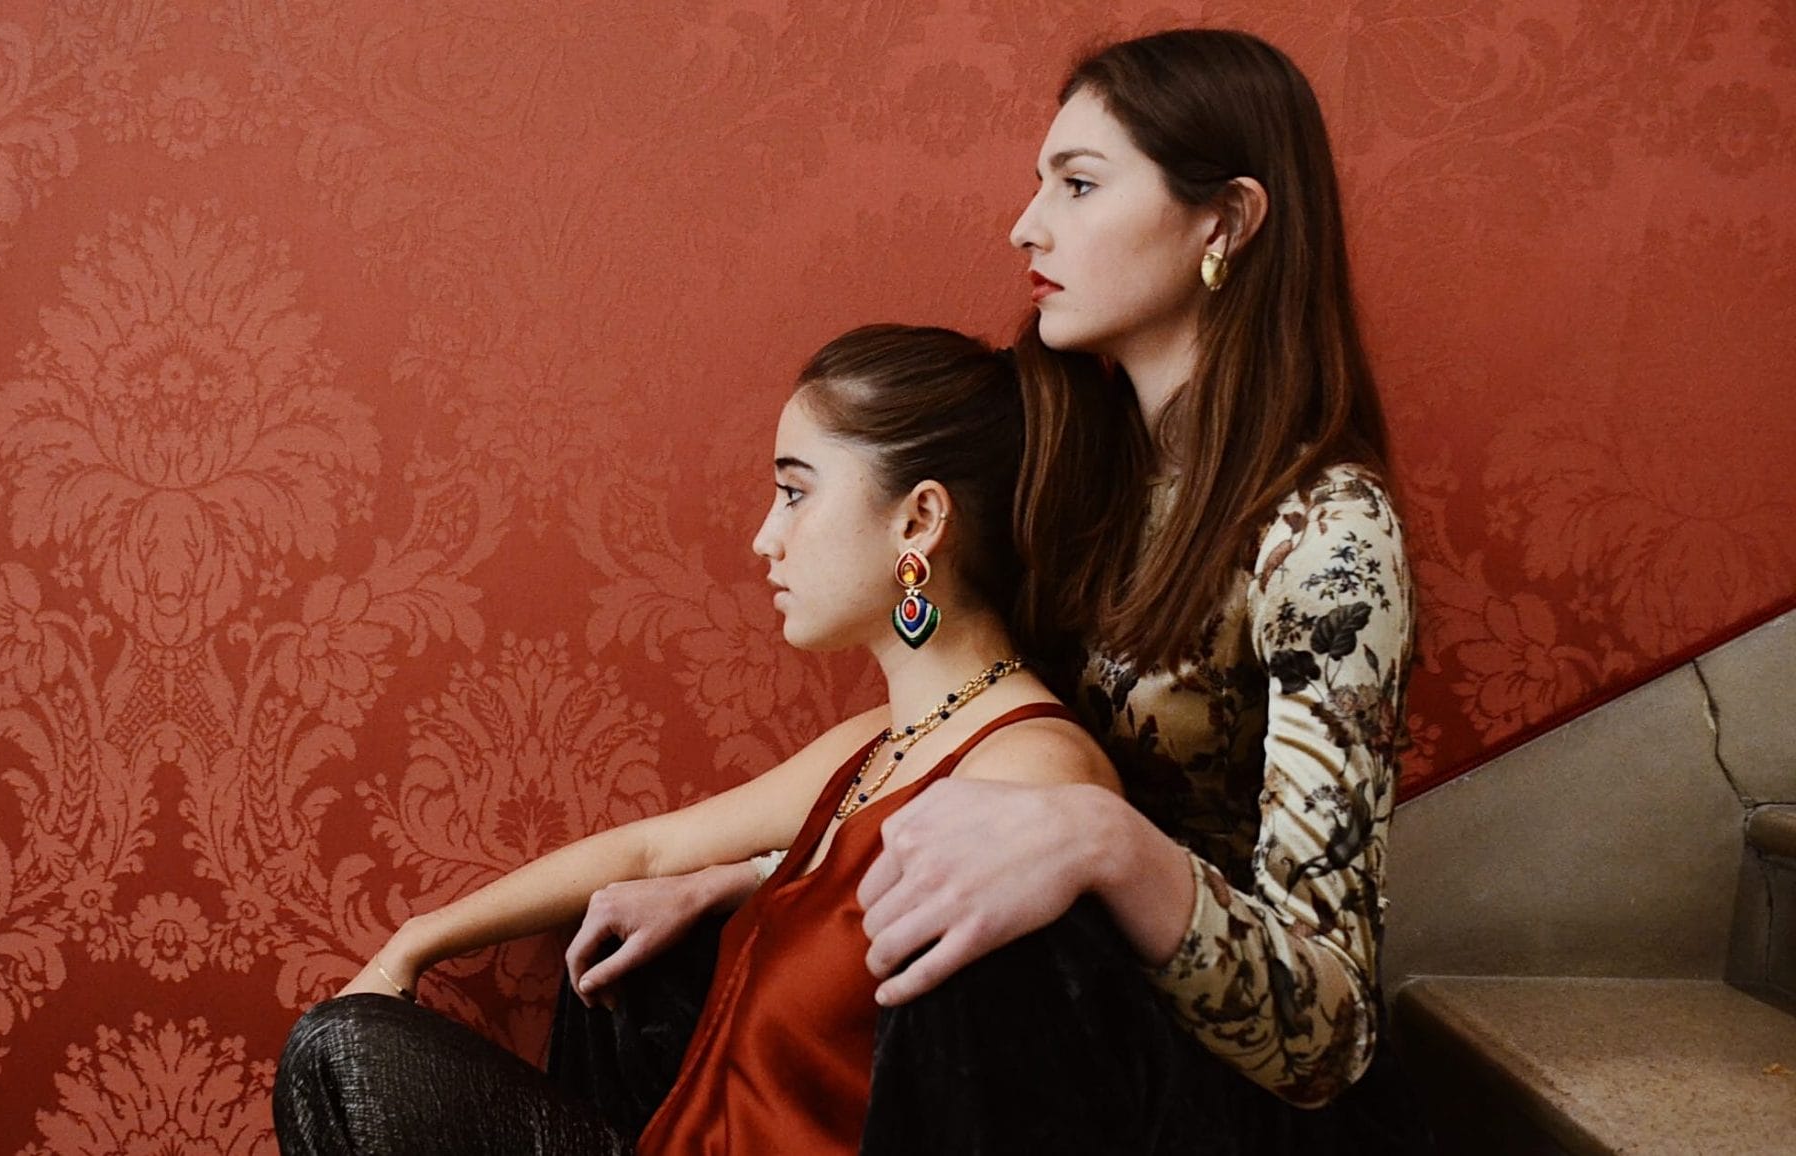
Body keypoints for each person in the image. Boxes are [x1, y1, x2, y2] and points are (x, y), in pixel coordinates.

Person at [567, 25, 1419, 1139]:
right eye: (1039, 184)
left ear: (1227, 220)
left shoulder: (1328, 534)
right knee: (642, 960)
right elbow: (963, 729)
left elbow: (1331, 1032)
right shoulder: (1083, 451)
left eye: (1076, 184)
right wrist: (767, 883)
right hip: (1036, 1010)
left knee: (979, 959)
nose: (1026, 226)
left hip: (1198, 1083)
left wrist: (1103, 845)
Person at [274, 323, 1129, 1154]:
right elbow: (651, 851)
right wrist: (410, 945)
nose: (766, 537)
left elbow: (1013, 1098)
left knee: (341, 1051)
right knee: (347, 1042)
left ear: (918, 523)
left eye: (796, 491)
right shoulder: (882, 742)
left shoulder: (1029, 774)